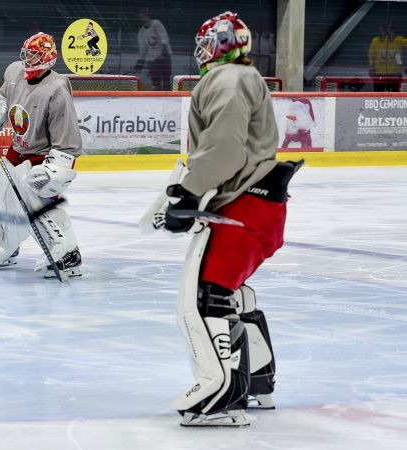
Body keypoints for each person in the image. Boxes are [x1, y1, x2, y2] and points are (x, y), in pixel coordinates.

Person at [142, 12, 302, 426]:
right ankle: (257, 384)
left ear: (219, 43)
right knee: (231, 293)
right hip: (260, 205)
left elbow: (224, 150)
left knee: (204, 297)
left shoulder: (227, 80)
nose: (199, 54)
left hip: (244, 207)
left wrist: (189, 193)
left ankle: (221, 393)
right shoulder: (245, 77)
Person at [0, 32, 84, 278]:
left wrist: (55, 169)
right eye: (27, 53)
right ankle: (5, 243)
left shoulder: (57, 89)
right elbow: (2, 101)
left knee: (38, 205)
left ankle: (67, 252)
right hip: (18, 149)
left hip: (41, 156)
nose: (28, 59)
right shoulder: (14, 72)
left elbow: (67, 138)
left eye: (34, 56)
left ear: (48, 59)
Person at [135, 8, 172, 90]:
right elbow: (143, 50)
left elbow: (163, 37)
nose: (144, 16)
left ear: (149, 15)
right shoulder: (141, 33)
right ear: (140, 17)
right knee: (156, 84)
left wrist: (164, 51)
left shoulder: (156, 23)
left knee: (166, 81)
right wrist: (140, 61)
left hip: (164, 57)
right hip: (152, 59)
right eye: (142, 14)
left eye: (146, 14)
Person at [368, 22, 406, 92]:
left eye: (391, 29)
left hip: (394, 73)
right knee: (378, 93)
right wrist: (371, 66)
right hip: (379, 73)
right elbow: (371, 54)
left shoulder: (398, 40)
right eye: (382, 29)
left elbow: (398, 54)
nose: (385, 31)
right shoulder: (376, 41)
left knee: (395, 94)